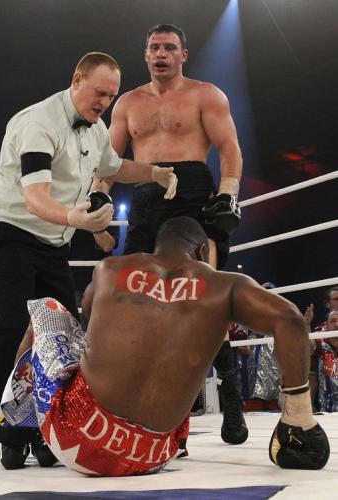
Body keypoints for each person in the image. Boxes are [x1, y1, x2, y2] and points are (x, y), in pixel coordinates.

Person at [0, 51, 178, 470]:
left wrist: (155, 173)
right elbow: (35, 198)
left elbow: (113, 166)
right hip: (7, 232)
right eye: (99, 92)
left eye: (111, 96)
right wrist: (77, 220)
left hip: (52, 242)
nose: (104, 102)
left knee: (65, 337)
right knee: (13, 322)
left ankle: (44, 431)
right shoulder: (38, 122)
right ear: (76, 80)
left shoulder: (96, 129)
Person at [0, 217, 329, 476]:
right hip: (152, 454)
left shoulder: (109, 268)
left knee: (45, 311)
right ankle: (298, 420)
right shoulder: (224, 286)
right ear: (202, 252)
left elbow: (86, 318)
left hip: (75, 433)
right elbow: (290, 320)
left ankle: (17, 432)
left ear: (157, 248)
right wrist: (298, 417)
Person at [105, 24, 245, 443]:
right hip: (145, 198)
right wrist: (97, 197)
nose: (161, 53)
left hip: (194, 193)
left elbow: (229, 148)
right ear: (145, 55)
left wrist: (228, 194)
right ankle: (153, 413)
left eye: (169, 47)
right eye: (154, 47)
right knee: (137, 300)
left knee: (202, 296)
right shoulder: (128, 103)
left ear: (183, 54)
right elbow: (108, 160)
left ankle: (232, 399)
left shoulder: (207, 95)